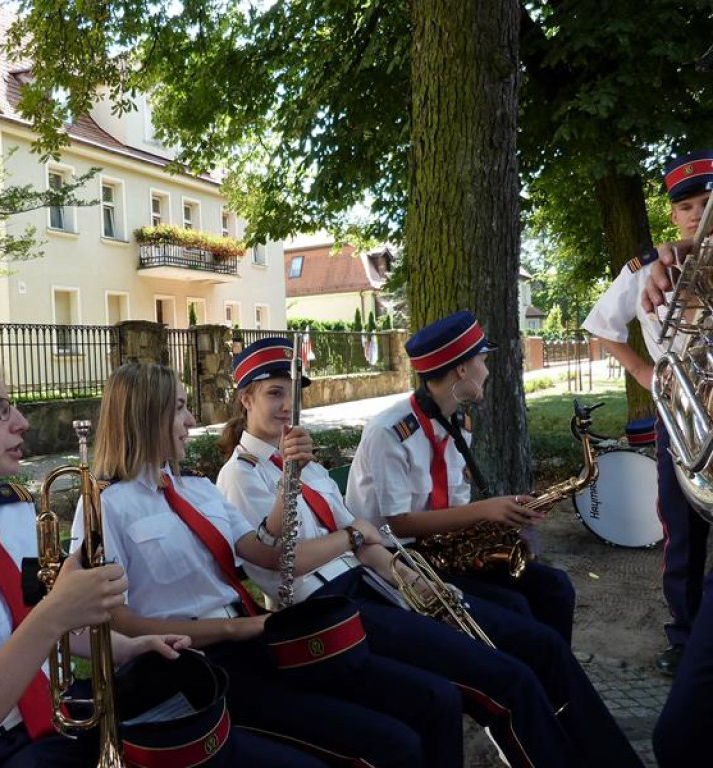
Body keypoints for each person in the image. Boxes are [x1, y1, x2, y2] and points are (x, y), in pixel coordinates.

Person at [0, 354, 317, 768]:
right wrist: (55, 613)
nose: (22, 422)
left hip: (64, 720)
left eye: (12, 405)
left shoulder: (12, 510)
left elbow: (50, 623)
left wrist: (130, 646)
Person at [217, 336, 643, 768]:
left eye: (293, 393)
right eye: (274, 393)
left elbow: (368, 543)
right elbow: (285, 565)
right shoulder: (240, 476)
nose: (288, 405)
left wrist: (418, 584)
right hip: (327, 614)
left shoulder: (312, 467)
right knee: (507, 679)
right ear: (245, 399)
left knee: (534, 646)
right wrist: (355, 538)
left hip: (374, 584)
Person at [73, 361, 465, 768]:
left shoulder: (197, 489)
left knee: (427, 702)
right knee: (390, 745)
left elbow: (265, 551)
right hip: (199, 667)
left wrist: (288, 482)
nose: (190, 420)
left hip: (258, 639)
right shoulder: (104, 504)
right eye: (178, 408)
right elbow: (117, 622)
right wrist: (234, 627)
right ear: (144, 415)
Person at [346, 311, 577, 643]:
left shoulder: (458, 425)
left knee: (556, 588)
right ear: (462, 369)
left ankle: (553, 684)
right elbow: (400, 524)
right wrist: (486, 510)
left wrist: (500, 527)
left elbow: (452, 508)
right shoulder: (389, 432)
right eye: (482, 361)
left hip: (440, 551)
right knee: (516, 610)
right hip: (397, 561)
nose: (486, 371)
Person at [583, 149, 713, 676]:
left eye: (707, 204)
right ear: (674, 215)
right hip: (682, 414)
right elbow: (600, 328)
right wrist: (644, 375)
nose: (696, 215)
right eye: (687, 207)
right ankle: (686, 635)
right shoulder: (643, 270)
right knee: (681, 528)